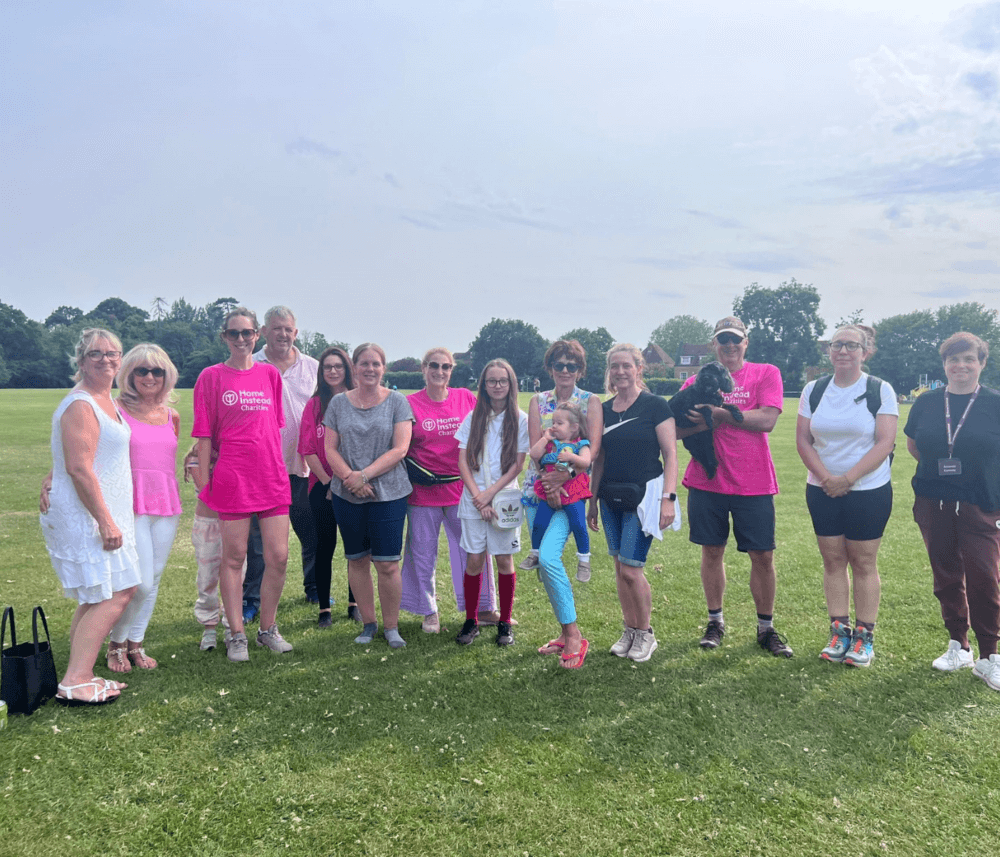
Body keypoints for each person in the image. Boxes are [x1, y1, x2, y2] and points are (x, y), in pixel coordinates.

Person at [678, 316, 792, 658]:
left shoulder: (764, 373)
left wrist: (721, 415)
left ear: (746, 342)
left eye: (735, 340)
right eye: (722, 340)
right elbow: (676, 427)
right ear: (715, 344)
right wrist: (697, 423)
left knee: (763, 555)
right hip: (706, 479)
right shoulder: (697, 380)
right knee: (711, 551)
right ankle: (715, 621)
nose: (729, 346)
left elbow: (768, 420)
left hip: (753, 480)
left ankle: (766, 627)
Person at [39, 328, 138, 705]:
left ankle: (79, 672)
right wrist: (105, 521)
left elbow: (82, 458)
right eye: (96, 354)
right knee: (117, 590)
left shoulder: (105, 399)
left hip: (101, 510)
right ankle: (76, 680)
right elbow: (79, 468)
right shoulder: (82, 402)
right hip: (88, 515)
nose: (106, 360)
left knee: (99, 592)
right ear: (80, 360)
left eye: (113, 353)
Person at [192, 307, 293, 663]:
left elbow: (273, 429)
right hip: (232, 480)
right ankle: (237, 634)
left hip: (272, 478)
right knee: (234, 559)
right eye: (233, 333)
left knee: (277, 557)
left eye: (246, 333)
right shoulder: (211, 377)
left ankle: (267, 629)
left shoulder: (270, 375)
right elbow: (204, 435)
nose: (240, 339)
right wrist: (204, 484)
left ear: (257, 335)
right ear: (224, 337)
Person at [796, 325, 898, 667]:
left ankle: (864, 638)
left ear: (865, 351)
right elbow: (803, 441)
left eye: (851, 345)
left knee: (864, 562)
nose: (843, 350)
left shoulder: (879, 389)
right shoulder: (814, 389)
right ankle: (839, 632)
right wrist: (827, 478)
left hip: (868, 490)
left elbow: (885, 442)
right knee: (833, 561)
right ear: (829, 350)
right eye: (837, 344)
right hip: (822, 489)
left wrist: (848, 479)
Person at [905, 332, 1000, 691]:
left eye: (968, 359)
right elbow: (915, 445)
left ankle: (989, 656)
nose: (960, 366)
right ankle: (958, 644)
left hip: (982, 503)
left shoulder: (994, 402)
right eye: (953, 360)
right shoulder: (927, 402)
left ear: (982, 363)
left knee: (985, 577)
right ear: (944, 364)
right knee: (945, 574)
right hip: (934, 500)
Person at [587, 344, 677, 664]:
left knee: (631, 568)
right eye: (615, 366)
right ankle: (630, 630)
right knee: (619, 568)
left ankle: (646, 633)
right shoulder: (606, 409)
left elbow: (671, 455)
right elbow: (599, 459)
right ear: (609, 371)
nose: (620, 372)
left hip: (644, 498)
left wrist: (669, 499)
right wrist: (592, 499)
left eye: (626, 365)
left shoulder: (655, 406)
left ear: (639, 368)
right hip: (610, 497)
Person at [398, 347, 499, 634]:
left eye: (445, 366)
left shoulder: (465, 398)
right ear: (423, 368)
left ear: (451, 370)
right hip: (423, 492)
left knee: (473, 550)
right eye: (433, 366)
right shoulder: (409, 403)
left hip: (462, 490)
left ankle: (482, 606)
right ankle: (428, 610)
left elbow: (487, 430)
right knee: (422, 553)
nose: (439, 372)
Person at [323, 343, 414, 648]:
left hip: (388, 494)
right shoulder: (337, 403)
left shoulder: (398, 402)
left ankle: (391, 627)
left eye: (376, 364)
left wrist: (364, 475)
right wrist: (351, 479)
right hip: (347, 494)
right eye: (364, 363)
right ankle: (368, 624)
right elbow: (329, 449)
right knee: (357, 559)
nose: (370, 369)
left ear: (383, 368)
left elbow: (400, 449)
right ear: (355, 367)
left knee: (387, 563)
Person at [103, 344, 183, 673]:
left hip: (166, 503)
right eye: (142, 370)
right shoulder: (114, 408)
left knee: (156, 577)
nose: (149, 377)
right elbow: (86, 446)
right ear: (129, 374)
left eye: (157, 371)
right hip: (130, 503)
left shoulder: (171, 415)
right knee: (140, 583)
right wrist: (55, 477)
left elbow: (167, 458)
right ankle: (115, 644)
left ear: (167, 376)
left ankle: (136, 643)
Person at [241, 306, 319, 622]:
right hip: (262, 468)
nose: (283, 334)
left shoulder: (313, 367)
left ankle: (315, 587)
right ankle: (251, 599)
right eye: (276, 329)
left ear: (296, 333)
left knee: (311, 530)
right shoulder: (251, 365)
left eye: (288, 329)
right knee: (257, 541)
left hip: (304, 465)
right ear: (264, 332)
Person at [454, 359, 529, 647]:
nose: (497, 386)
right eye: (491, 381)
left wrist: (490, 495)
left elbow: (517, 465)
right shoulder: (473, 417)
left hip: (504, 500)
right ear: (483, 385)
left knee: (504, 560)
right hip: (474, 499)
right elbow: (462, 461)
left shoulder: (520, 419)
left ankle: (505, 622)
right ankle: (471, 619)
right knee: (474, 560)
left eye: (502, 381)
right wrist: (478, 496)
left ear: (511, 385)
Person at [520, 340, 603, 581]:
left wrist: (562, 479)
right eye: (559, 364)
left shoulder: (591, 402)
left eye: (572, 366)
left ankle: (571, 619)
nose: (565, 370)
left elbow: (593, 451)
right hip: (538, 489)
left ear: (580, 370)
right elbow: (536, 446)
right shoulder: (538, 401)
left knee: (548, 557)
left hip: (572, 489)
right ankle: (566, 618)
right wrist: (549, 485)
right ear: (550, 367)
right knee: (542, 565)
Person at [298, 346, 359, 627]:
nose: (333, 371)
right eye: (327, 367)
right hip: (322, 486)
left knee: (356, 548)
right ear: (321, 373)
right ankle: (324, 609)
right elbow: (308, 449)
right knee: (325, 547)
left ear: (347, 369)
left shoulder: (359, 401)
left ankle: (354, 603)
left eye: (338, 366)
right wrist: (329, 483)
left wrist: (349, 482)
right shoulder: (314, 405)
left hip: (356, 487)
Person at [184, 442, 243, 651]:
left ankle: (232, 624)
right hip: (208, 525)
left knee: (237, 575)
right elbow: (207, 491)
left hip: (235, 523)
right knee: (207, 577)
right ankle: (209, 626)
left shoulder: (234, 451)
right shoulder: (196, 457)